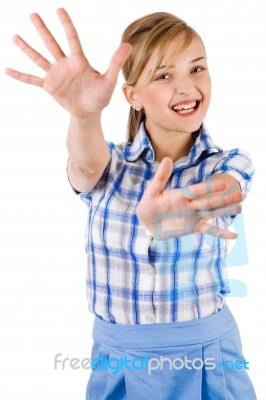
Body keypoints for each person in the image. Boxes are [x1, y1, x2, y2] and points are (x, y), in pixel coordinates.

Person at [6, 8, 257, 400]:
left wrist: (182, 208)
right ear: (133, 95)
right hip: (118, 360)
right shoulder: (111, 166)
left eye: (197, 68)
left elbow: (227, 191)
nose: (188, 86)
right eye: (164, 75)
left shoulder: (228, 162)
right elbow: (86, 163)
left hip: (208, 359)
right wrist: (85, 115)